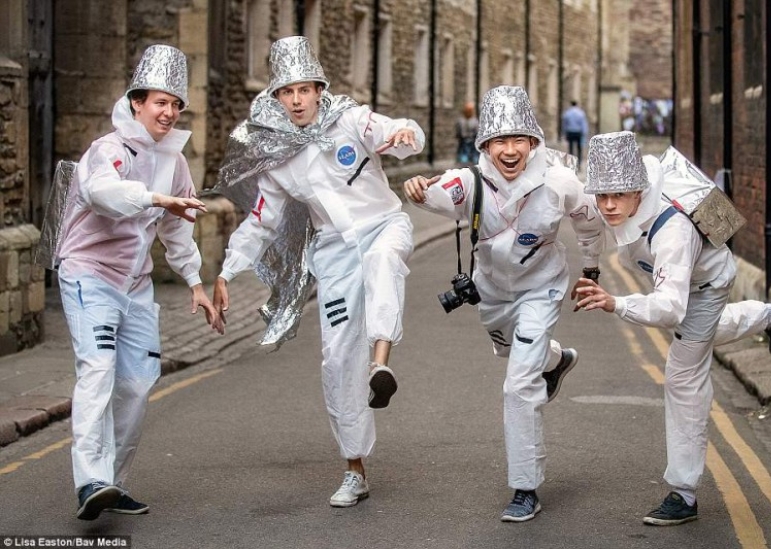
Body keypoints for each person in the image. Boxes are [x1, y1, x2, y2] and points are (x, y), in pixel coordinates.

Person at [212, 36, 425, 508]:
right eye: (286, 93)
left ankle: (381, 363)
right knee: (334, 358)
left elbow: (397, 129)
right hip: (333, 252)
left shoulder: (351, 120)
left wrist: (407, 135)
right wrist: (227, 271)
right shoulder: (278, 161)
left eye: (303, 90)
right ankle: (354, 469)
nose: (296, 100)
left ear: (318, 90)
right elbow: (261, 221)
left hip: (384, 225)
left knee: (384, 261)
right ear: (276, 98)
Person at [572, 131, 771, 526]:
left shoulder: (672, 233)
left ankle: (685, 493)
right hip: (682, 283)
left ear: (639, 188)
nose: (607, 205)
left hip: (706, 286)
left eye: (618, 195)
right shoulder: (624, 199)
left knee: (682, 375)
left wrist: (616, 302)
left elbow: (671, 308)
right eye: (601, 194)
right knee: (704, 334)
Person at [403, 86, 603, 522]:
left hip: (541, 289)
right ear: (485, 146)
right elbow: (439, 195)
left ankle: (525, 486)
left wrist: (590, 270)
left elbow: (589, 223)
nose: (509, 151)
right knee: (510, 352)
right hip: (492, 293)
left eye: (518, 140)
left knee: (517, 386)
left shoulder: (560, 182)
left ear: (533, 142)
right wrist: (419, 191)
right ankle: (556, 361)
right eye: (499, 142)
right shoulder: (470, 181)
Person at [50, 45, 222, 520]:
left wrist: (195, 284)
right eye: (158, 102)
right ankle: (90, 479)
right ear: (135, 104)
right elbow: (101, 195)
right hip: (89, 275)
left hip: (136, 285)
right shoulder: (107, 151)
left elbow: (178, 228)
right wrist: (153, 198)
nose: (168, 112)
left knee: (138, 383)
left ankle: (112, 484)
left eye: (175, 104)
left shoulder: (174, 161)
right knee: (99, 371)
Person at [561, 100, 589, 166]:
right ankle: (579, 163)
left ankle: (571, 162)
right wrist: (584, 133)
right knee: (579, 148)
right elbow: (583, 124)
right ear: (576, 105)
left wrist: (564, 132)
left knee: (571, 147)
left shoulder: (567, 113)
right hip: (578, 132)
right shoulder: (580, 113)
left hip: (570, 132)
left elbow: (564, 124)